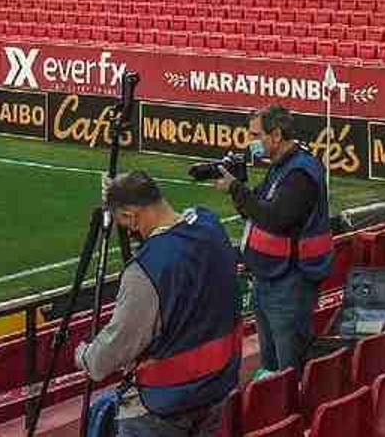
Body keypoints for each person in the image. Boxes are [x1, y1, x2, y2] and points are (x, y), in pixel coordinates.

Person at [78, 172, 241, 437]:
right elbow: (176, 251)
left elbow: (111, 352)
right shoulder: (210, 225)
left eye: (126, 223)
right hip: (215, 387)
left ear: (131, 215)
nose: (130, 232)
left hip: (164, 405)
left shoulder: (144, 271)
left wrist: (84, 355)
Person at [220, 105, 330, 375]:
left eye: (256, 135)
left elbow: (276, 218)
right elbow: (255, 208)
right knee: (271, 366)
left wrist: (236, 189)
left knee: (289, 368)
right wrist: (239, 189)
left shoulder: (300, 173)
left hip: (289, 282)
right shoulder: (281, 167)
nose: (252, 142)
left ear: (276, 135)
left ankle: (294, 413)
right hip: (269, 278)